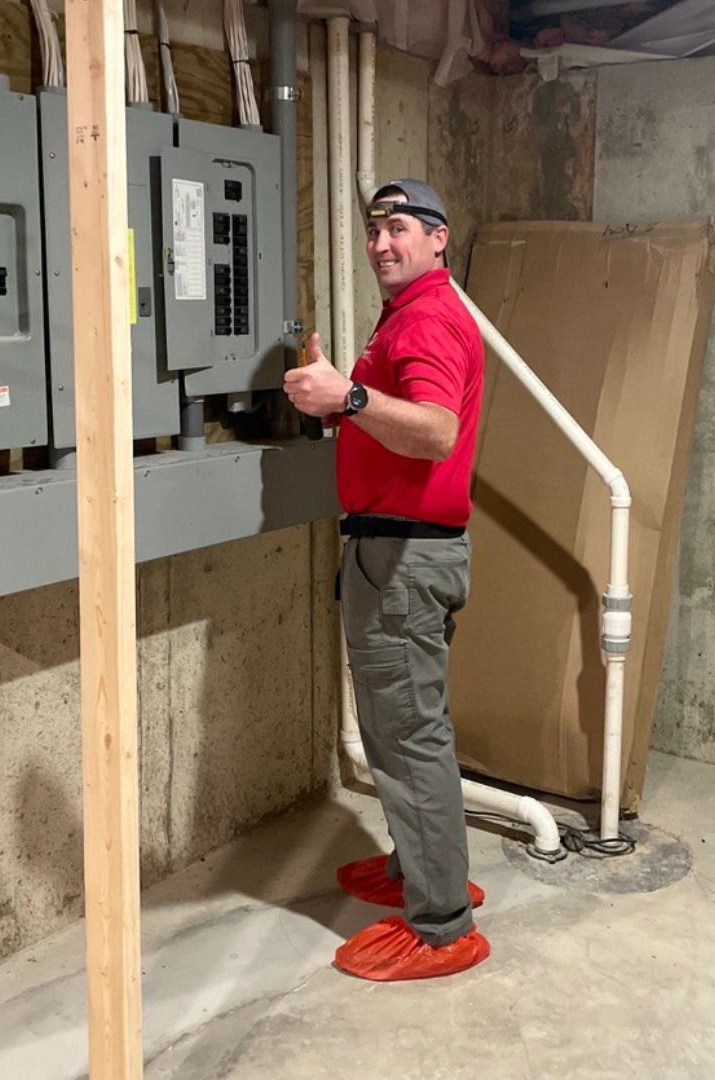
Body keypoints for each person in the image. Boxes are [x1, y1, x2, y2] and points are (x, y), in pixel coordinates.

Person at [284, 179, 489, 981]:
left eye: (398, 228)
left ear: (439, 239)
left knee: (410, 737)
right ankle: (418, 870)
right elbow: (397, 418)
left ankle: (444, 925)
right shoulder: (408, 316)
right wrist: (343, 403)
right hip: (391, 551)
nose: (381, 243)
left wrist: (351, 394)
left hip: (406, 559)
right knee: (394, 729)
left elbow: (437, 433)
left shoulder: (431, 317)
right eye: (374, 230)